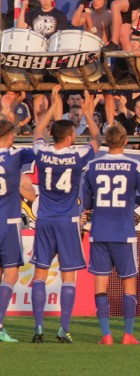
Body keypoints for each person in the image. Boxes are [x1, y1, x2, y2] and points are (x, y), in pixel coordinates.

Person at [30, 87, 100, 344]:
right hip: (69, 220)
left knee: (40, 274)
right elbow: (96, 139)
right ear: (70, 137)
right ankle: (63, 328)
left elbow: (37, 132)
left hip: (45, 219)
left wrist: (53, 104)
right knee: (68, 276)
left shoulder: (43, 152)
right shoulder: (77, 155)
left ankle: (38, 328)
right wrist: (89, 112)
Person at [81, 124, 140, 345]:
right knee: (129, 283)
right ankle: (128, 334)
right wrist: (132, 200)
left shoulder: (93, 166)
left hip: (100, 231)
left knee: (100, 284)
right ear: (125, 141)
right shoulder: (134, 165)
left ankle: (106, 334)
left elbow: (85, 202)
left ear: (105, 141)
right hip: (124, 233)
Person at [0, 121, 36, 343]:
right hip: (9, 221)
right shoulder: (15, 156)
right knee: (11, 272)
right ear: (10, 135)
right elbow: (39, 150)